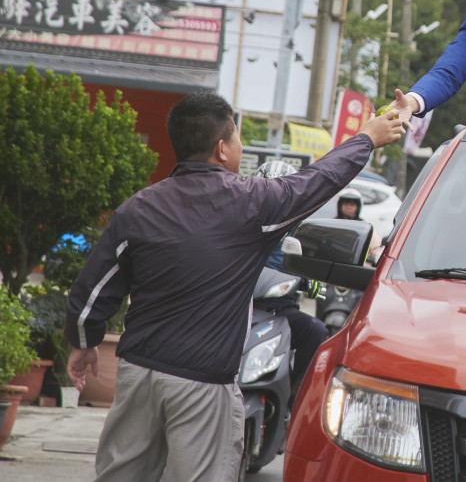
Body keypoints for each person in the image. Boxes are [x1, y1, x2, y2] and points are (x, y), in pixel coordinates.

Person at [63, 91, 405, 481]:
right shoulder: (251, 204)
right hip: (202, 384)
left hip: (137, 373)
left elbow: (93, 290)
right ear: (223, 149)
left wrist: (84, 341)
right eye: (239, 138)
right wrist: (367, 139)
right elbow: (317, 180)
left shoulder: (137, 208)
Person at [253, 159, 329, 397]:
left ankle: (295, 397)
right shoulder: (240, 221)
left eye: (282, 192)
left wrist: (315, 279)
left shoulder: (304, 230)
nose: (275, 200)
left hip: (281, 308)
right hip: (239, 306)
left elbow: (317, 267)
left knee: (316, 332)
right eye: (269, 191)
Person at [336, 186, 384, 265]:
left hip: (358, 267)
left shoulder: (365, 228)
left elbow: (377, 248)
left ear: (358, 207)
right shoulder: (333, 224)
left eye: (352, 204)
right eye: (345, 203)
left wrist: (375, 257)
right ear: (340, 205)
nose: (348, 206)